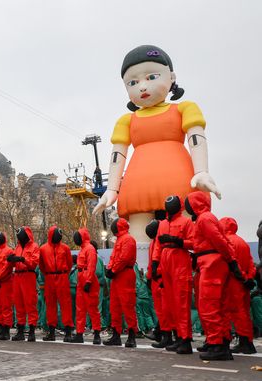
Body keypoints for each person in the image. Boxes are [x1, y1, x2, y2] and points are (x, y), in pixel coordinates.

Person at [94, 45, 220, 242]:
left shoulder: (184, 108)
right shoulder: (126, 120)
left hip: (181, 181)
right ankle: (144, 271)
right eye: (133, 82)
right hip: (138, 187)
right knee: (140, 237)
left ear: (171, 77)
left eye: (151, 77)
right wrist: (112, 189)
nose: (142, 87)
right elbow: (117, 155)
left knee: (187, 231)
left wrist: (201, 171)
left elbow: (196, 139)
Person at [184, 191, 241, 361]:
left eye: (190, 204)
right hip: (212, 261)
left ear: (196, 204)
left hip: (211, 263)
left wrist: (231, 260)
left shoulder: (204, 218)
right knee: (217, 306)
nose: (188, 207)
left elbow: (218, 240)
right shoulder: (205, 218)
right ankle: (221, 342)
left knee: (209, 305)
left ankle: (218, 345)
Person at [155, 195, 194, 354]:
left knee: (182, 302)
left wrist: (178, 241)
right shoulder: (162, 224)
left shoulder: (186, 222)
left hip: (180, 259)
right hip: (166, 260)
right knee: (170, 303)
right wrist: (155, 264)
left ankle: (185, 340)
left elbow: (194, 242)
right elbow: (158, 245)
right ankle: (178, 337)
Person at [220, 217, 257, 354]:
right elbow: (251, 263)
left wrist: (241, 276)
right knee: (244, 312)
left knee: (235, 313)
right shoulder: (243, 242)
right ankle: (248, 341)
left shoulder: (227, 242)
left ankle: (244, 343)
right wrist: (249, 278)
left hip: (233, 282)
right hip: (244, 283)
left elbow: (232, 263)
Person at [103, 218, 138, 348]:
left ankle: (132, 336)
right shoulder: (121, 239)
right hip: (118, 275)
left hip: (125, 274)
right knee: (115, 307)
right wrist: (110, 269)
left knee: (127, 306)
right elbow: (114, 257)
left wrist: (112, 269)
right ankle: (116, 335)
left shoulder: (128, 239)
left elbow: (124, 258)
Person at [39, 226, 73, 342]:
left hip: (61, 277)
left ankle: (68, 331)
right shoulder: (43, 249)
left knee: (65, 304)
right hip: (50, 277)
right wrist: (50, 273)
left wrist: (61, 273)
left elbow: (69, 265)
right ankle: (52, 331)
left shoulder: (65, 248)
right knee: (50, 305)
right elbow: (41, 265)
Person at [7, 226, 40, 342]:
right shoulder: (17, 247)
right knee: (18, 304)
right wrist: (11, 259)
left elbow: (34, 263)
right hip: (17, 276)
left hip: (28, 275)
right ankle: (20, 330)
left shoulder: (34, 246)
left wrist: (22, 259)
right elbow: (14, 262)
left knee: (30, 303)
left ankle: (31, 331)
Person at [70, 228, 101, 344]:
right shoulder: (83, 249)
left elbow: (92, 266)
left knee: (92, 308)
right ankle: (79, 334)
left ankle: (97, 334)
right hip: (81, 279)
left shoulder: (90, 249)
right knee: (80, 309)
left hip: (89, 281)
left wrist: (88, 281)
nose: (76, 238)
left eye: (77, 236)